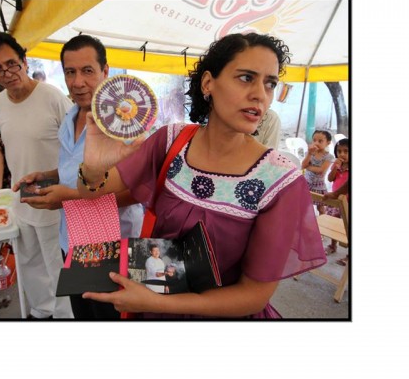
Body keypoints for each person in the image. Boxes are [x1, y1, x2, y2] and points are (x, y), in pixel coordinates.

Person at [76, 32, 327, 319]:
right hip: (151, 303)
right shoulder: (171, 141)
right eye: (246, 78)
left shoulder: (280, 180)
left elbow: (254, 296)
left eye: (270, 83)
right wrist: (94, 169)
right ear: (208, 83)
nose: (260, 94)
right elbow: (90, 194)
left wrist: (156, 304)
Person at [13, 35, 143, 320]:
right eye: (70, 72)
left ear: (105, 72)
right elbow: (71, 168)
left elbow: (138, 191)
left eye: (87, 71)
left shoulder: (125, 120)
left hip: (112, 246)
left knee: (111, 318)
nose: (78, 82)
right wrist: (47, 175)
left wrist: (69, 197)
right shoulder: (71, 115)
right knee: (83, 313)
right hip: (71, 239)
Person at [0, 32, 74, 319]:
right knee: (29, 261)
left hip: (52, 198)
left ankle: (66, 317)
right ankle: (41, 311)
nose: (7, 73)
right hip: (20, 198)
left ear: (24, 61)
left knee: (57, 263)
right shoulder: (1, 103)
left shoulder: (51, 96)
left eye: (12, 64)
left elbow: (77, 146)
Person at [325, 137, 350, 263]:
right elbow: (330, 179)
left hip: (347, 203)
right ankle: (332, 245)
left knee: (347, 227)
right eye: (339, 151)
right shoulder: (337, 165)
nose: (342, 154)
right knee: (333, 222)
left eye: (346, 151)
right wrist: (335, 167)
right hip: (336, 202)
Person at [302, 129, 335, 215]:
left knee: (320, 207)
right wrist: (309, 154)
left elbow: (321, 170)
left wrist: (308, 167)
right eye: (314, 140)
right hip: (307, 183)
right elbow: (303, 165)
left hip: (319, 186)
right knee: (304, 205)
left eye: (320, 141)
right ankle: (304, 222)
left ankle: (322, 222)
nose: (316, 143)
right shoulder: (310, 153)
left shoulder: (329, 156)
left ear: (328, 142)